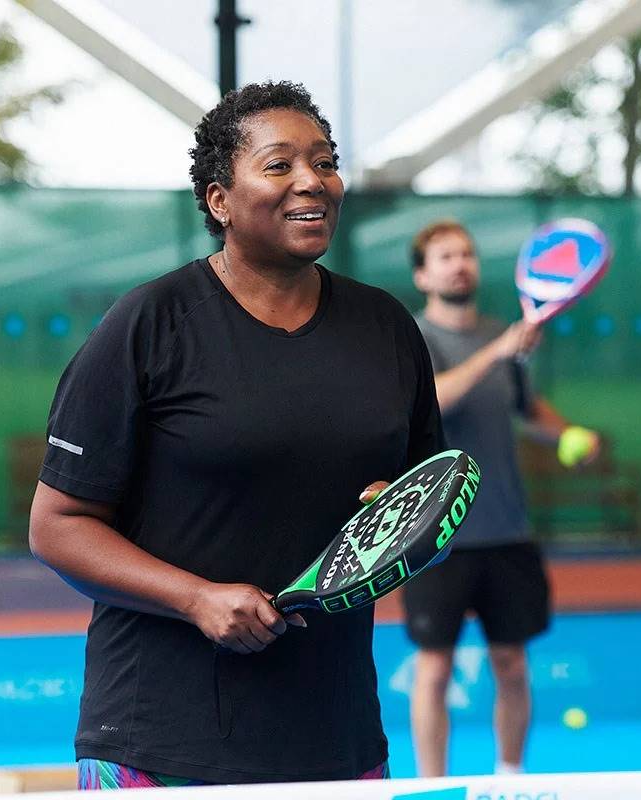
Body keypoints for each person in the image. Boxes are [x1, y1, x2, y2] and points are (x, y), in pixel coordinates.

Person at [28, 81, 445, 790]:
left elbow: (424, 498)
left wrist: (394, 522)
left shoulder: (386, 328)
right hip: (161, 738)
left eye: (325, 160)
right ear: (220, 200)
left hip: (335, 737)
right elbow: (58, 527)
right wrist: (195, 596)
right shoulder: (149, 323)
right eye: (279, 165)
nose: (313, 181)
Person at [403, 219, 600, 777]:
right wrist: (496, 351)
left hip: (508, 530)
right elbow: (432, 404)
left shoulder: (504, 335)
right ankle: (432, 787)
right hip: (434, 536)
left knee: (512, 665)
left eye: (466, 253)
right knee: (435, 670)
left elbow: (526, 411)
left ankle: (509, 782)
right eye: (445, 256)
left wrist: (566, 435)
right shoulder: (415, 338)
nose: (459, 263)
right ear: (423, 274)